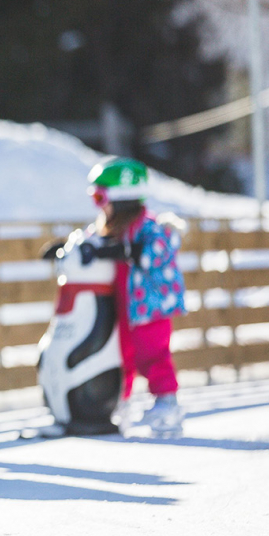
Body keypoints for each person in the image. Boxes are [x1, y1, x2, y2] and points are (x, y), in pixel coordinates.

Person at [87, 156, 187, 435]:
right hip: (126, 308)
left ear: (120, 198)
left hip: (151, 308)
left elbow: (159, 250)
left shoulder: (148, 228)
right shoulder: (111, 229)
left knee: (152, 355)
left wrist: (131, 251)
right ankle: (122, 401)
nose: (98, 204)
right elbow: (92, 243)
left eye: (99, 196)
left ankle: (167, 403)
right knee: (124, 356)